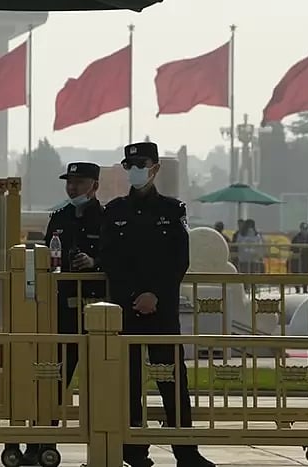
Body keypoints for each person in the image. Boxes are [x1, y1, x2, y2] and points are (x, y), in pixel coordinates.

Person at [100, 142, 214, 467]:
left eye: (141, 163)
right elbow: (111, 259)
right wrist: (136, 294)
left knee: (173, 381)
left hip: (161, 310)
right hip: (127, 307)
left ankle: (186, 451)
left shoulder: (172, 209)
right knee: (130, 381)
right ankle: (134, 451)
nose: (135, 169)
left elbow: (179, 260)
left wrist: (155, 295)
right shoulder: (114, 211)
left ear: (155, 167)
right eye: (130, 164)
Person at [7, 162, 105, 466]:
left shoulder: (107, 218)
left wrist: (95, 262)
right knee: (53, 378)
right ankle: (41, 441)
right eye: (70, 182)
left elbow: (118, 257)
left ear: (94, 185)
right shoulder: (59, 217)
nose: (73, 187)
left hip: (99, 313)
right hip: (62, 309)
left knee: (102, 380)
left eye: (80, 182)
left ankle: (105, 446)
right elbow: (48, 257)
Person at [289, 222, 308, 288]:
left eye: (306, 229)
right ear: (300, 229)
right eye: (303, 229)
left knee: (306, 273)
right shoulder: (296, 237)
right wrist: (298, 250)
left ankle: (305, 288)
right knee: (296, 273)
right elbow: (292, 248)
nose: (304, 230)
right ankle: (297, 288)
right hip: (297, 259)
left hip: (306, 258)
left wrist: (307, 249)